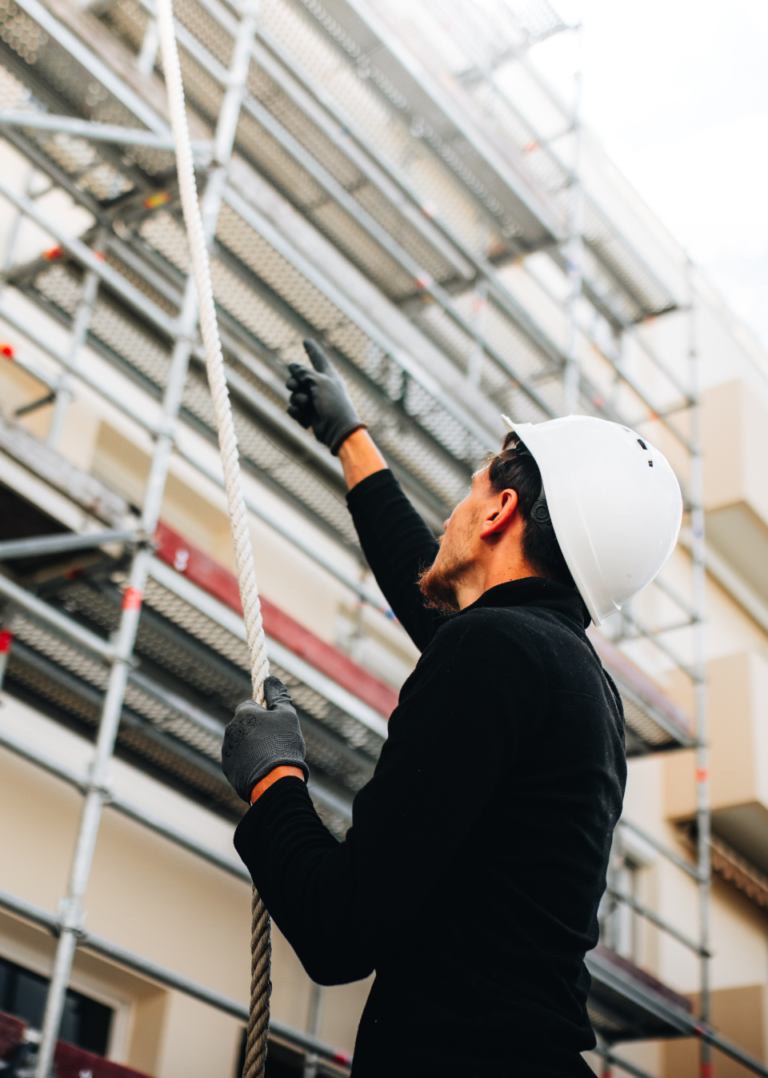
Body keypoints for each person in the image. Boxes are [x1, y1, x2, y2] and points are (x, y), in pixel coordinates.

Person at [222, 340, 683, 1077]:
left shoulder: (496, 652)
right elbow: (425, 585)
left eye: (468, 494)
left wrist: (273, 781)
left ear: (501, 510)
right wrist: (350, 437)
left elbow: (340, 930)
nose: (452, 515)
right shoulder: (566, 674)